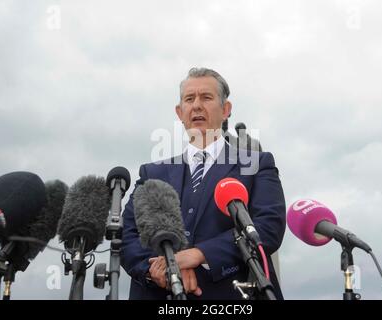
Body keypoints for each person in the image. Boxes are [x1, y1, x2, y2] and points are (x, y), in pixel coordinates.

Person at [120, 67, 286, 300]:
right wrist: (156, 271)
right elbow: (128, 236)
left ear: (226, 109)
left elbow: (268, 227)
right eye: (189, 99)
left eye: (206, 97)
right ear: (180, 112)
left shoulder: (256, 164)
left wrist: (199, 254)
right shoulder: (152, 173)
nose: (196, 105)